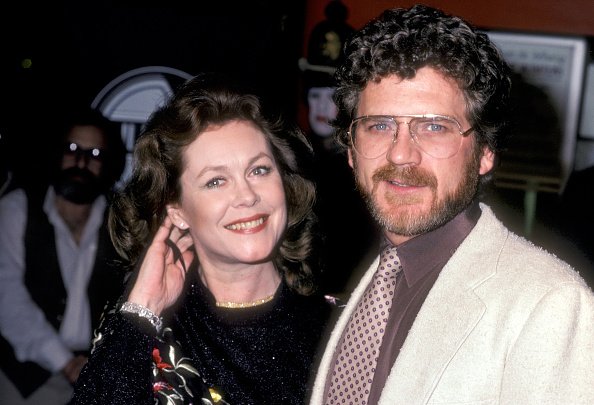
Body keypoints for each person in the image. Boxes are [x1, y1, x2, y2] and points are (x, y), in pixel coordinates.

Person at [309, 4, 594, 404]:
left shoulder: (550, 305)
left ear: (485, 152)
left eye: (433, 127)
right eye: (380, 126)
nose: (400, 155)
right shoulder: (359, 279)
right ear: (351, 148)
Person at [70, 73, 335, 405]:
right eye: (216, 181)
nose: (247, 196)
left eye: (259, 170)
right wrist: (142, 312)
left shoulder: (342, 326)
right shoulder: (141, 332)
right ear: (178, 210)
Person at [0, 106, 128, 404]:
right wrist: (64, 361)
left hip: (94, 374)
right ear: (57, 153)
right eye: (73, 149)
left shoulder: (119, 224)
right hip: (27, 376)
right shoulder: (17, 208)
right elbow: (7, 298)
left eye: (95, 155)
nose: (81, 162)